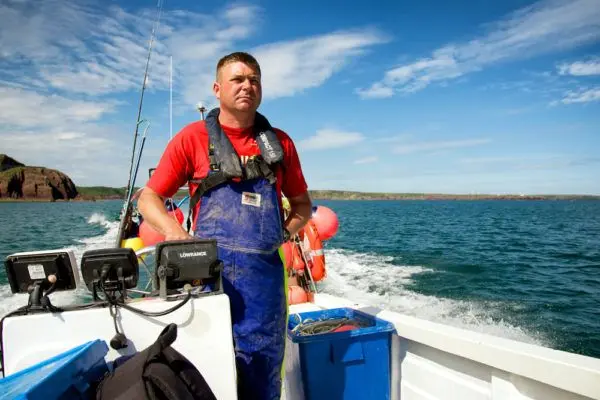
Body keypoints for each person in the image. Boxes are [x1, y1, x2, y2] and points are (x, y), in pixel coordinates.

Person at [137, 51, 313, 399]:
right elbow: (148, 199)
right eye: (238, 79)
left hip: (263, 284)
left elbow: (303, 205)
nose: (247, 86)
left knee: (261, 372)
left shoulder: (281, 143)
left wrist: (284, 232)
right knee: (205, 368)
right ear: (217, 89)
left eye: (254, 80)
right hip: (206, 276)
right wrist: (178, 236)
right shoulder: (191, 138)